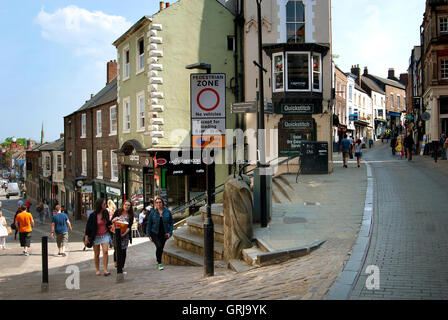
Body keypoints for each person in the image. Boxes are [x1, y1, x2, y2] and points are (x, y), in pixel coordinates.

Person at [84, 198, 112, 276]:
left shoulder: (106, 212)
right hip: (95, 236)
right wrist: (86, 237)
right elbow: (88, 227)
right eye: (104, 204)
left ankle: (105, 270)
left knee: (105, 251)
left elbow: (108, 222)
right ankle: (97, 269)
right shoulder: (93, 215)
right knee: (97, 253)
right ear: (100, 205)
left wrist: (113, 222)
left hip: (105, 235)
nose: (105, 205)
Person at [147, 196, 173, 270]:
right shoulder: (153, 212)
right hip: (154, 233)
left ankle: (158, 260)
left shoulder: (167, 212)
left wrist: (170, 232)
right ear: (155, 204)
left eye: (160, 202)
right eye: (157, 202)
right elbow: (149, 224)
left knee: (161, 248)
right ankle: (159, 262)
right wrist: (149, 235)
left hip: (164, 233)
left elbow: (171, 223)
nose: (158, 203)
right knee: (158, 246)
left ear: (162, 203)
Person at [111, 200, 134, 275]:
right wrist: (116, 219)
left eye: (128, 205)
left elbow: (129, 226)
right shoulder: (118, 212)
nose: (127, 206)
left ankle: (122, 266)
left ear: (130, 207)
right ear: (123, 205)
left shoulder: (131, 215)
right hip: (116, 233)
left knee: (123, 250)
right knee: (117, 248)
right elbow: (112, 221)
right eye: (126, 205)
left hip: (125, 234)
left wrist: (124, 234)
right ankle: (116, 261)